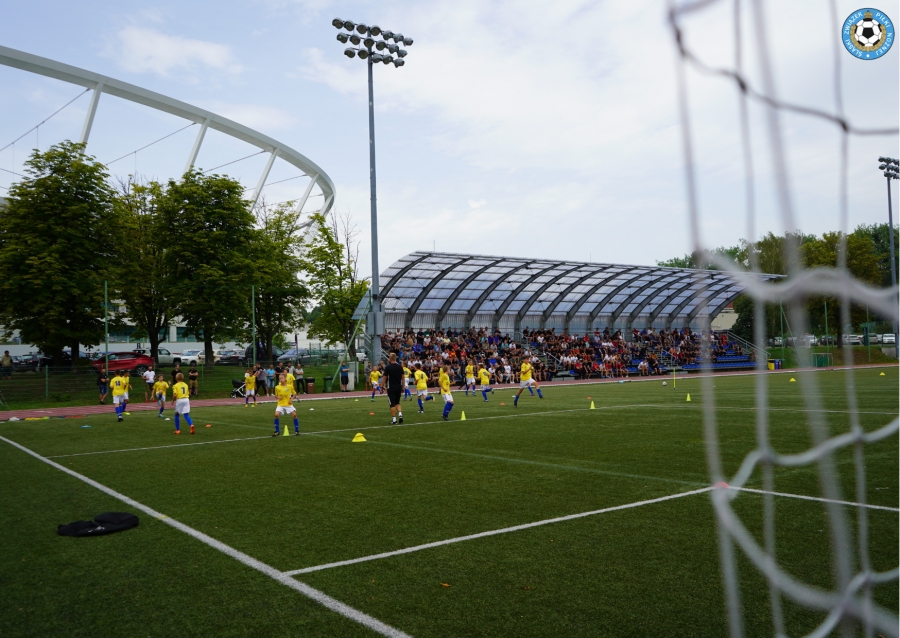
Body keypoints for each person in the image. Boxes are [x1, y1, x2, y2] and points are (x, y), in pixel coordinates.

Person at [383, 353, 404, 424]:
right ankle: (400, 415)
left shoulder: (388, 367)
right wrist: (403, 387)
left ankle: (394, 419)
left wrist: (382, 386)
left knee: (392, 404)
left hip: (391, 387)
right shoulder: (400, 367)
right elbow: (403, 378)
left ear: (390, 358)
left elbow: (384, 378)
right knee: (397, 402)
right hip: (398, 387)